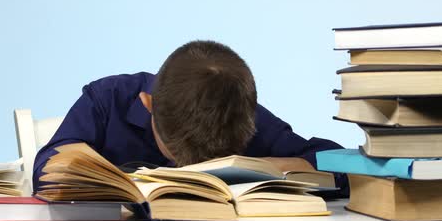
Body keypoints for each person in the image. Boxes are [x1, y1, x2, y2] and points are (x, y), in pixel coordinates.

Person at [33, 40, 348, 196]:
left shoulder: (236, 109)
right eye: (177, 152)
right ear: (148, 104)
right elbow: (46, 170)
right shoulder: (108, 100)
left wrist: (277, 167)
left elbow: (342, 168)